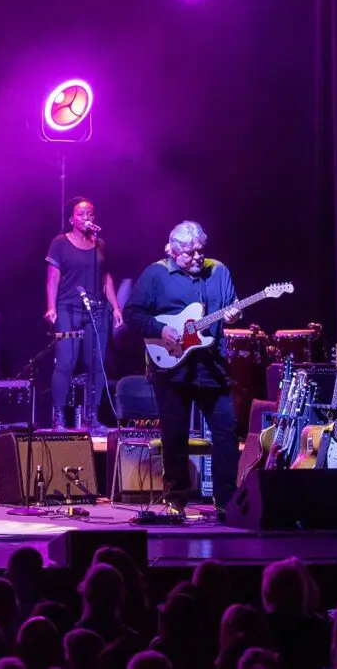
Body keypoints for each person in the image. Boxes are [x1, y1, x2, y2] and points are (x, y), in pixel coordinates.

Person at [125, 221, 239, 517]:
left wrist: (234, 315)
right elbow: (132, 314)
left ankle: (226, 501)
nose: (198, 257)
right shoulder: (156, 274)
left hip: (211, 366)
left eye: (201, 250)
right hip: (172, 367)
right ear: (174, 251)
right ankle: (176, 500)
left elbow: (231, 308)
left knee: (226, 432)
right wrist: (161, 330)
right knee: (174, 434)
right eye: (190, 253)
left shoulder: (219, 271)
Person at [44, 197, 123, 430]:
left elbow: (106, 278)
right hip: (68, 307)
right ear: (72, 219)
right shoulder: (60, 243)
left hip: (96, 310)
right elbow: (52, 277)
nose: (87, 217)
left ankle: (92, 417)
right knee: (66, 361)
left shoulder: (100, 244)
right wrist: (51, 306)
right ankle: (58, 417)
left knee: (96, 364)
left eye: (90, 213)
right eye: (81, 214)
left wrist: (116, 307)